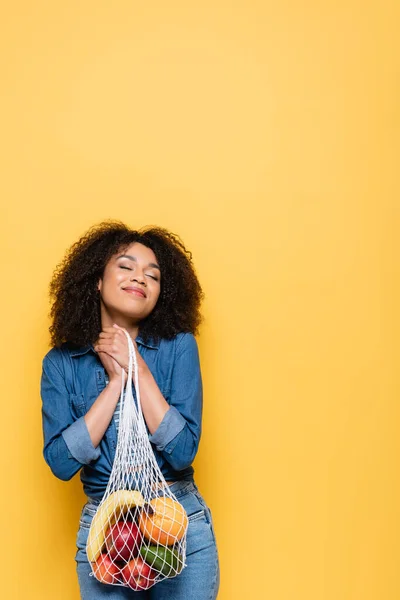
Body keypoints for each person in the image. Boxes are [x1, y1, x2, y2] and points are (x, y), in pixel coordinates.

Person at [40, 220, 220, 599]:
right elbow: (60, 462)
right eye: (125, 266)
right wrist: (117, 383)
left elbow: (184, 449)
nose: (139, 278)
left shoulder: (179, 347)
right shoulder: (61, 363)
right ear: (96, 281)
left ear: (160, 293)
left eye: (152, 276)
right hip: (106, 531)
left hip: (176, 520)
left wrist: (135, 365)